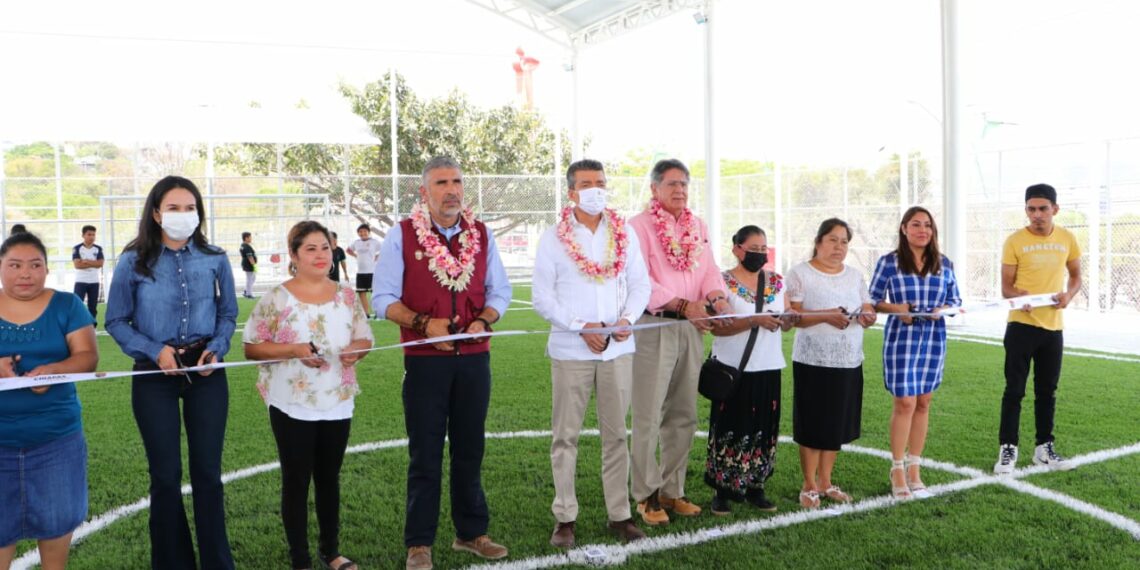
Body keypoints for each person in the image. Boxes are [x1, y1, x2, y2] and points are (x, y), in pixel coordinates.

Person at [372, 156, 512, 570]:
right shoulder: (401, 235)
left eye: (457, 182)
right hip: (423, 362)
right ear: (424, 191)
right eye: (441, 183)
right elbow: (382, 300)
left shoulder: (481, 234)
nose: (451, 190)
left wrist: (484, 319)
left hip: (474, 360)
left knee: (470, 449)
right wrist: (421, 323)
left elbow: (499, 291)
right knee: (425, 453)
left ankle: (471, 534)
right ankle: (419, 543)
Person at [105, 175, 238, 570]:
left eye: (190, 207)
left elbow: (229, 314)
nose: (183, 215)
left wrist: (217, 347)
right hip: (153, 376)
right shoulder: (133, 260)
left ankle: (217, 563)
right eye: (174, 208)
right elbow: (116, 320)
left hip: (206, 374)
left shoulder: (215, 257)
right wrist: (154, 350)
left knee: (208, 474)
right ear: (157, 213)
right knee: (165, 476)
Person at [532, 159, 652, 547]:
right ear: (571, 192)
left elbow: (639, 285)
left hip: (618, 349)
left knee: (616, 436)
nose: (595, 189)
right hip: (571, 350)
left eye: (600, 182)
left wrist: (627, 319)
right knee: (565, 436)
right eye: (586, 183)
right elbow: (541, 296)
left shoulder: (625, 234)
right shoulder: (553, 237)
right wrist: (579, 326)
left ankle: (619, 514)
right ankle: (564, 517)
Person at [243, 221, 373, 570]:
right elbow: (251, 348)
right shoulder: (276, 298)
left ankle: (331, 552)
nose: (320, 255)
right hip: (291, 403)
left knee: (329, 478)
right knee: (296, 480)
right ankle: (300, 558)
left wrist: (356, 351)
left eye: (325, 248)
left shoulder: (347, 295)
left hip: (338, 399)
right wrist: (294, 349)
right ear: (294, 255)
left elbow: (365, 338)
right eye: (311, 249)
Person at [627, 158, 732, 526]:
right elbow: (638, 280)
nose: (680, 190)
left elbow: (708, 270)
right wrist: (683, 305)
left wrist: (717, 296)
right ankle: (646, 495)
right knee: (648, 412)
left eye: (685, 184)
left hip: (692, 327)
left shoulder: (697, 225)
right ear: (654, 189)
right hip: (655, 325)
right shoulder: (637, 227)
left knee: (684, 413)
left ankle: (673, 490)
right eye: (672, 184)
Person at [0, 232, 98, 570]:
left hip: (56, 441)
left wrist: (53, 371)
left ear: (46, 268)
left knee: (56, 536)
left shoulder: (67, 305)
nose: (25, 273)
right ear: (1, 268)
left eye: (34, 265)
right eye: (15, 265)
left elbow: (87, 357)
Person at [869, 207, 961, 500]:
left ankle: (914, 468)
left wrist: (941, 311)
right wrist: (898, 309)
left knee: (924, 401)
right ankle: (896, 467)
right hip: (902, 337)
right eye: (916, 225)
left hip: (933, 337)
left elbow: (955, 301)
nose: (923, 230)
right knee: (905, 402)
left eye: (928, 226)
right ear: (904, 228)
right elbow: (873, 300)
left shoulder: (944, 263)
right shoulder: (889, 262)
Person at [705, 225, 797, 516]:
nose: (759, 255)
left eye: (763, 250)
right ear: (736, 249)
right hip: (732, 368)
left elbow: (786, 316)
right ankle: (722, 489)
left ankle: (756, 485)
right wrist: (753, 320)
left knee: (763, 429)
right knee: (730, 426)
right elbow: (719, 326)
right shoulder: (721, 282)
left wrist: (789, 318)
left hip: (768, 365)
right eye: (752, 249)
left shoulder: (777, 281)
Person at [786, 218, 875, 510]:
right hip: (813, 359)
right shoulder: (800, 273)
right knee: (812, 422)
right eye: (833, 240)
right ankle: (809, 484)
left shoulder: (854, 276)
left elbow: (867, 306)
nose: (839, 247)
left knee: (836, 422)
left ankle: (826, 480)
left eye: (844, 241)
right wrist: (826, 315)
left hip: (848, 359)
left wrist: (868, 316)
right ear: (819, 241)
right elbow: (792, 316)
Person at [994, 183, 1082, 475]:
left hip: (1053, 329)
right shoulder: (1015, 241)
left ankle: (1044, 448)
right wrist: (1017, 295)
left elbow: (1076, 276)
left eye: (1043, 208)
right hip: (1021, 326)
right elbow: (1006, 286)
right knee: (1014, 390)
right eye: (1031, 209)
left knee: (1047, 391)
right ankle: (1008, 449)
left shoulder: (1067, 238)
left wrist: (1068, 296)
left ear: (1055, 209)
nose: (1037, 214)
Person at [347, 224, 380, 318]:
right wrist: (355, 255)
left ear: (368, 232)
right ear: (358, 233)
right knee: (362, 293)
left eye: (364, 231)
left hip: (371, 272)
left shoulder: (374, 242)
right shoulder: (356, 242)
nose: (363, 233)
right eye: (360, 231)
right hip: (360, 272)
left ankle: (377, 312)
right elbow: (348, 250)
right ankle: (366, 313)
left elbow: (383, 250)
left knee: (374, 293)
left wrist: (377, 257)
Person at [71, 225, 105, 319]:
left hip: (94, 281)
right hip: (81, 281)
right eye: (89, 234)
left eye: (93, 235)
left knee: (93, 306)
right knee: (77, 305)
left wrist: (86, 261)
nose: (92, 237)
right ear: (83, 235)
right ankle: (76, 326)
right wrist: (94, 263)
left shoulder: (98, 249)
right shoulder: (77, 248)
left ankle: (92, 327)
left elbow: (100, 264)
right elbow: (77, 265)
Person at [240, 231, 257, 299]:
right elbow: (250, 257)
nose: (251, 239)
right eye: (250, 237)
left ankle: (246, 291)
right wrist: (254, 266)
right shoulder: (246, 247)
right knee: (250, 279)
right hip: (249, 265)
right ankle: (248, 294)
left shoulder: (243, 245)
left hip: (247, 264)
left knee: (252, 278)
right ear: (246, 238)